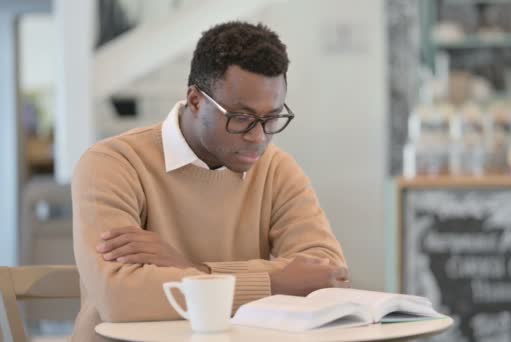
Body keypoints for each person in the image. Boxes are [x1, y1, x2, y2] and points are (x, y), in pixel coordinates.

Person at [70, 21, 350, 341]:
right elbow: (120, 300)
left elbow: (328, 279)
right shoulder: (112, 164)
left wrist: (193, 269)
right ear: (195, 100)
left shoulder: (277, 170)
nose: (258, 136)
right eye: (241, 118)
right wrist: (274, 282)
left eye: (272, 118)